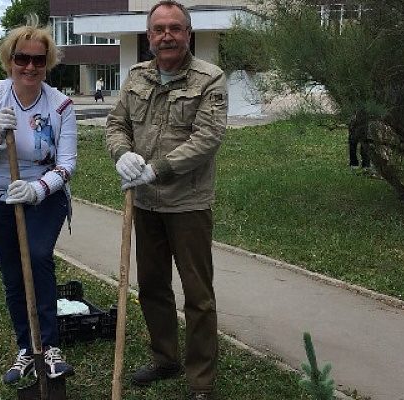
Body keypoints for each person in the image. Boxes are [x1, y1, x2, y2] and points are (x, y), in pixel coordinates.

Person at [106, 2, 228, 399]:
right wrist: (122, 153)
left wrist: (157, 168)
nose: (166, 36)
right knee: (153, 285)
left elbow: (207, 139)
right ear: (149, 36)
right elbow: (117, 124)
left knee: (198, 294)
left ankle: (201, 381)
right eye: (158, 29)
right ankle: (165, 359)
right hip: (145, 204)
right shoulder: (136, 76)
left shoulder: (209, 79)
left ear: (188, 34)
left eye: (175, 28)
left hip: (188, 205)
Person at [0, 15, 77, 386]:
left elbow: (67, 165)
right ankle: (28, 349)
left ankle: (51, 348)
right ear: (10, 60)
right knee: (13, 276)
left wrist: (38, 188)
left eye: (38, 60)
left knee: (38, 258)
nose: (29, 66)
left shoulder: (61, 106)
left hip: (45, 199)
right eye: (22, 58)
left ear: (48, 63)